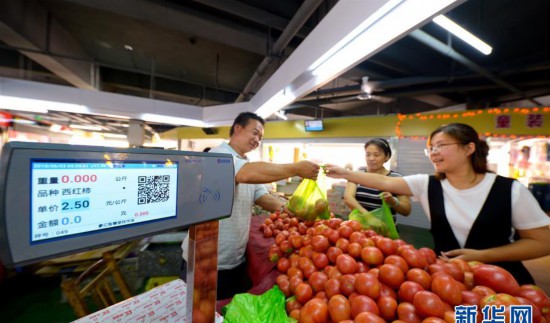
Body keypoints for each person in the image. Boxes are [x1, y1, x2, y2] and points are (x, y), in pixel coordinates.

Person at [325, 123, 550, 285]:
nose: (434, 153)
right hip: (449, 282)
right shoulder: (427, 184)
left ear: (469, 148)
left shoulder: (510, 190)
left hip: (504, 284)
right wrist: (345, 172)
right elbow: (384, 181)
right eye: (431, 148)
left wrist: (483, 256)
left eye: (441, 146)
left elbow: (542, 243)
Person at [181, 112, 320, 300]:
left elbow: (262, 197)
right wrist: (295, 168)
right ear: (237, 128)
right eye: (254, 133)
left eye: (260, 137)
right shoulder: (216, 156)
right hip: (205, 260)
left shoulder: (245, 163)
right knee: (198, 320)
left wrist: (291, 210)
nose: (257, 140)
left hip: (233, 260)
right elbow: (243, 175)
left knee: (223, 316)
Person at [344, 138, 411, 222]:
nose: (371, 158)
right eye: (368, 154)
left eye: (376, 155)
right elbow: (348, 198)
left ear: (386, 156)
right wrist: (369, 218)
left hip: (384, 229)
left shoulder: (396, 178)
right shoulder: (358, 173)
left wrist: (393, 201)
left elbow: (406, 211)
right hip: (357, 229)